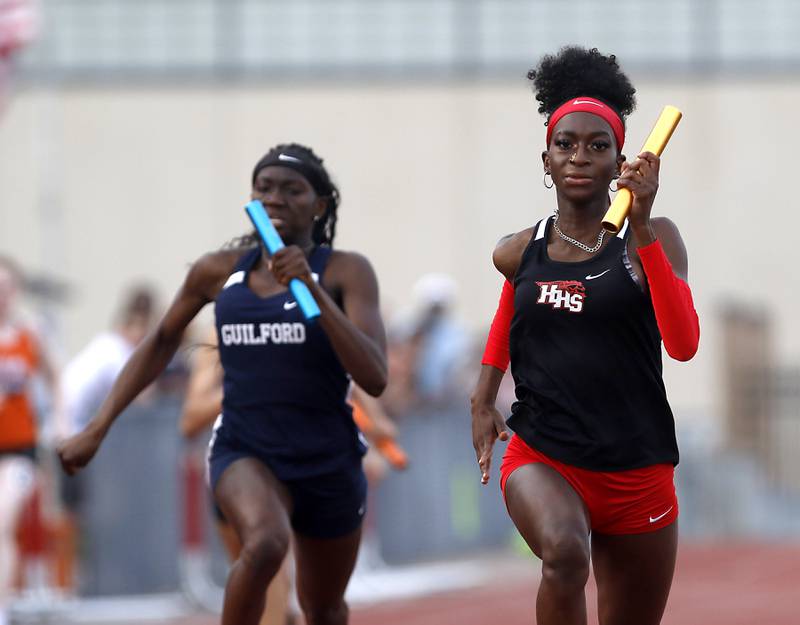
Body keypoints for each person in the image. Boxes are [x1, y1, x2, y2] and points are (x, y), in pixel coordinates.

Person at [57, 143, 387, 625]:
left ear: (318, 205)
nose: (275, 198)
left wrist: (311, 287)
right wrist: (98, 426)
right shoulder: (218, 270)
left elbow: (374, 376)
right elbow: (160, 340)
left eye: (292, 190)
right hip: (245, 449)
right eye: (264, 188)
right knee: (265, 544)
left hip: (328, 457)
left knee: (323, 608)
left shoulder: (346, 271)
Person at [470, 46, 699, 625]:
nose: (579, 156)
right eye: (565, 144)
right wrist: (482, 392)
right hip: (545, 452)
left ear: (621, 160)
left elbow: (683, 343)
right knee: (565, 555)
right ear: (545, 160)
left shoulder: (654, 238)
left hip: (636, 467)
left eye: (598, 146)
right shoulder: (517, 250)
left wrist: (642, 225)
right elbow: (514, 308)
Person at [0, 255, 59, 625]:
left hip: (19, 451)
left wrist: (60, 419)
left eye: (6, 289)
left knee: (2, 520)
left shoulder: (28, 335)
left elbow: (57, 377)